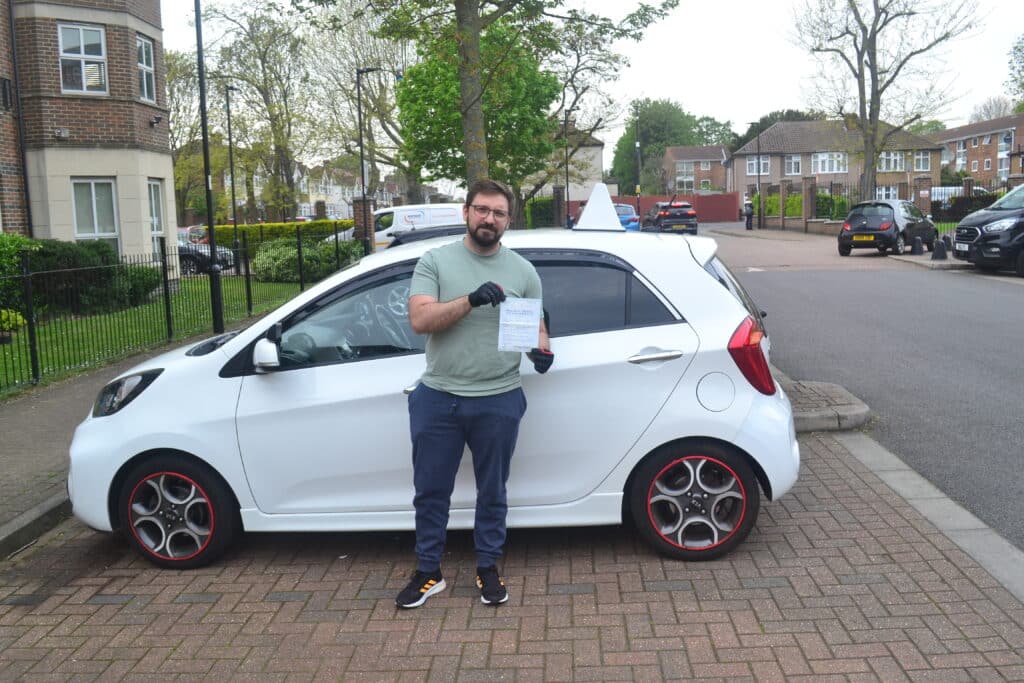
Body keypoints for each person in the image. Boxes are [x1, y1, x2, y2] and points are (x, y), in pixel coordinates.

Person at [396, 179, 553, 609]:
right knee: (431, 491)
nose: (489, 218)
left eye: (498, 212)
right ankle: (428, 572)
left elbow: (536, 324)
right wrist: (470, 299)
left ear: (509, 220)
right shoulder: (435, 261)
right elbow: (420, 320)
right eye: (482, 209)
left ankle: (487, 567)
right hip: (439, 397)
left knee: (493, 490)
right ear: (466, 212)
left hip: (499, 397)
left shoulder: (523, 271)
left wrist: (542, 351)